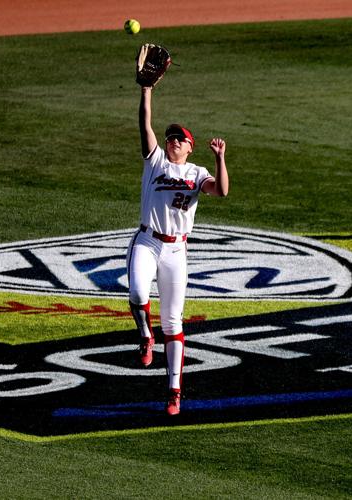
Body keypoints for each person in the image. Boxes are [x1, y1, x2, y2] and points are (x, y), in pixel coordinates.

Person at [127, 84, 229, 416]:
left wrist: (219, 158)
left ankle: (174, 391)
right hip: (147, 240)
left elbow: (222, 191)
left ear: (189, 148)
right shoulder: (155, 161)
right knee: (137, 291)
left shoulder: (196, 172)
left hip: (176, 252)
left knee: (172, 322)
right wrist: (146, 91)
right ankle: (145, 335)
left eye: (179, 139)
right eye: (170, 136)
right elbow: (145, 125)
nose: (172, 141)